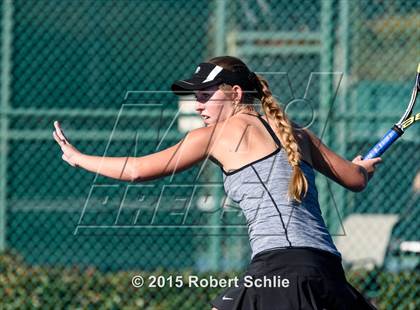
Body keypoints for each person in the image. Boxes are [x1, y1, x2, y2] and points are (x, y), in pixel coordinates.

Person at [53, 56, 381, 309]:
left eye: (206, 95)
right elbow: (355, 179)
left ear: (235, 94)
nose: (198, 104)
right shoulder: (296, 132)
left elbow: (138, 170)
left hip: (281, 272)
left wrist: (79, 158)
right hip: (328, 273)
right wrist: (362, 167)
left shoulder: (216, 135)